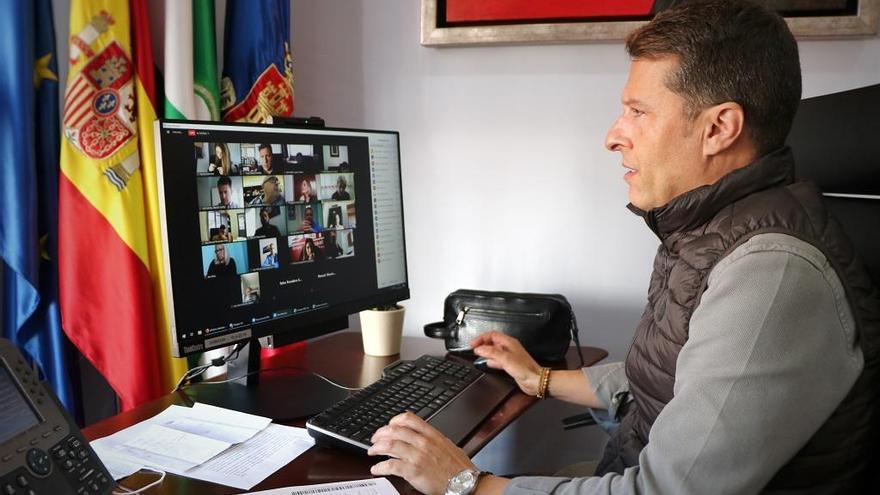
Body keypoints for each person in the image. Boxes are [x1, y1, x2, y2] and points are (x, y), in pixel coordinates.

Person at [366, 2, 880, 494]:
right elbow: (661, 378)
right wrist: (539, 378)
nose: (614, 136)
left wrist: (464, 483)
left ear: (718, 129)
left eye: (638, 111)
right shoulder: (706, 230)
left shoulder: (769, 273)